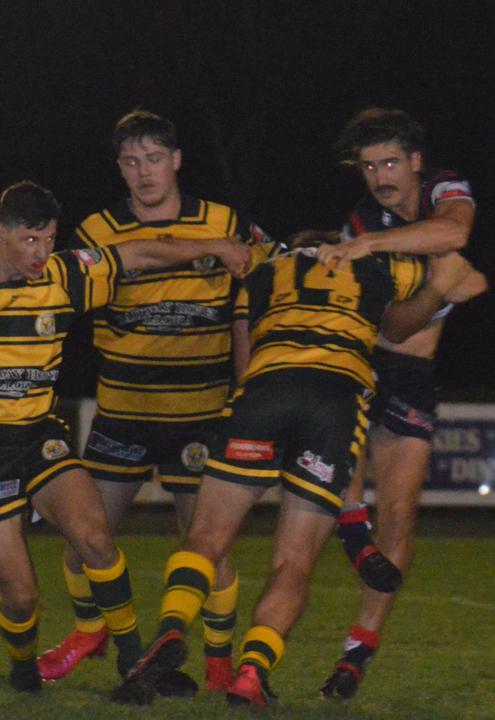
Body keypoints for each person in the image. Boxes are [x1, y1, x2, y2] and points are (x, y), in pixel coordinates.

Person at [110, 231, 480, 707]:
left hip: (267, 389)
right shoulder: (371, 269)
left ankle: (171, 627)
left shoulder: (264, 274)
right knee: (293, 560)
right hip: (333, 400)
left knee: (205, 537)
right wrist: (438, 288)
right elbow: (401, 326)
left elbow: (243, 366)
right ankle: (252, 669)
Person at [37, 110, 274, 692]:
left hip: (201, 414)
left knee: (209, 549)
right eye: (130, 162)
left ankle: (219, 660)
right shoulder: (97, 230)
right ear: (119, 167)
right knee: (82, 539)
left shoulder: (226, 222)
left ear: (177, 161)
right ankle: (90, 630)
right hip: (122, 411)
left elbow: (266, 289)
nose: (143, 173)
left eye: (154, 159)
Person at [0, 180, 250, 694]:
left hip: (41, 439)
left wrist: (215, 245)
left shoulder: (66, 275)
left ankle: (133, 666)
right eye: (29, 240)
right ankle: (23, 668)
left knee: (95, 538)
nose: (42, 252)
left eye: (49, 239)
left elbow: (138, 251)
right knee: (21, 597)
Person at [314, 107, 485, 700]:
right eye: (368, 166)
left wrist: (377, 249)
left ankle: (357, 653)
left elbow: (455, 233)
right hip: (367, 356)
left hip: (413, 374)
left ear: (415, 162)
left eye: (389, 162)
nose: (380, 176)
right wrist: (444, 285)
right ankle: (350, 527)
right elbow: (389, 327)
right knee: (339, 454)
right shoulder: (363, 218)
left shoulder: (440, 190)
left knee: (401, 518)